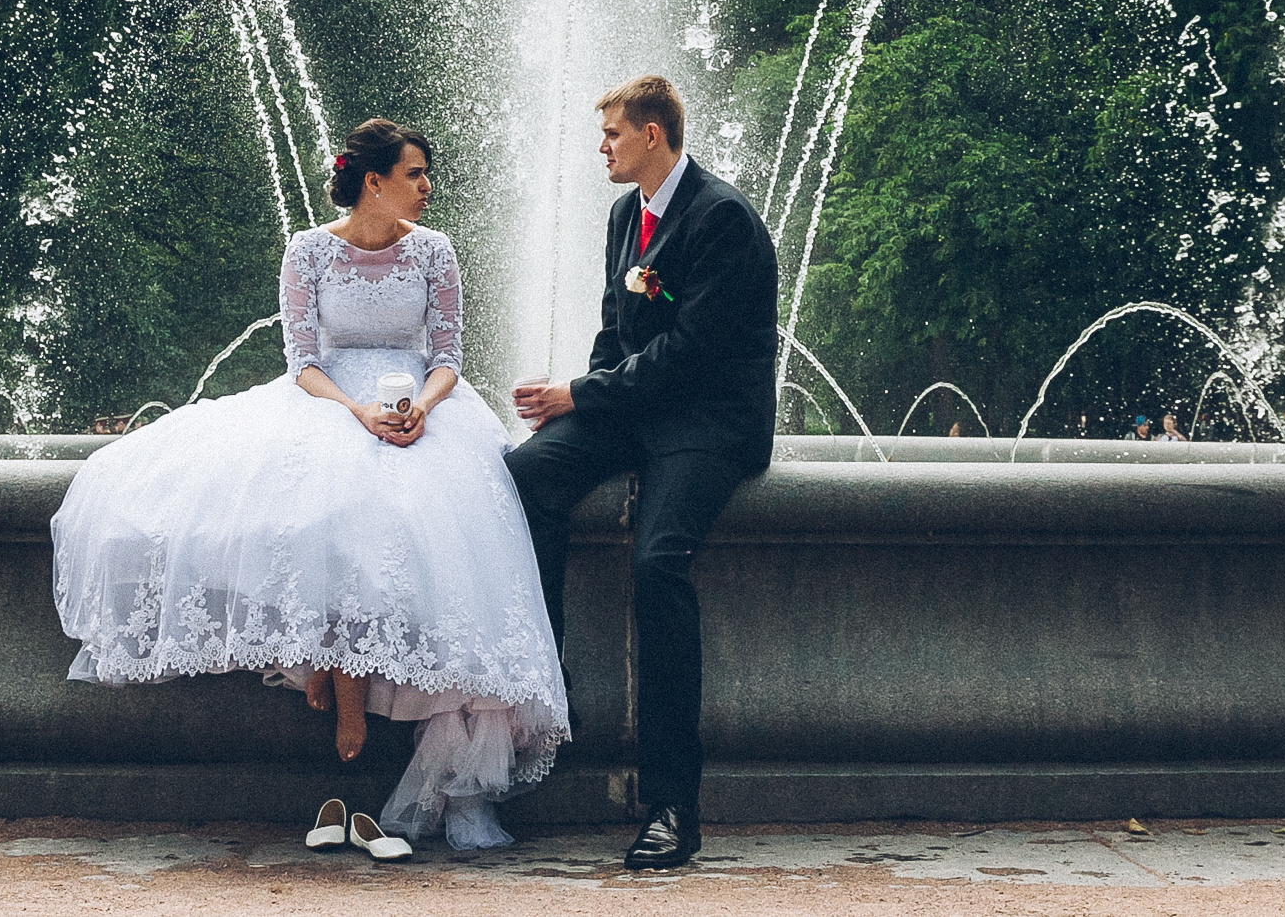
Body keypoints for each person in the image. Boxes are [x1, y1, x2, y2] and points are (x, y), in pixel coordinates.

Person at [51, 120, 567, 854]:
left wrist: (421, 405)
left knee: (465, 550)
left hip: (426, 408)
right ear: (372, 180)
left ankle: (464, 786)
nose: (427, 187)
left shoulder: (434, 251)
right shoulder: (309, 249)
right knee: (324, 515)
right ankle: (327, 671)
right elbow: (301, 360)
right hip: (330, 404)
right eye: (416, 173)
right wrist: (356, 411)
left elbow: (449, 354)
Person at [508, 75, 778, 872]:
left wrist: (582, 392)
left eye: (613, 135)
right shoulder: (627, 214)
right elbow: (614, 330)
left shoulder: (722, 217)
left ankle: (672, 805)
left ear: (653, 135)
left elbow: (690, 355)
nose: (602, 148)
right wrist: (577, 405)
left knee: (658, 562)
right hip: (639, 409)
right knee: (527, 473)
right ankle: (546, 674)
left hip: (708, 420)